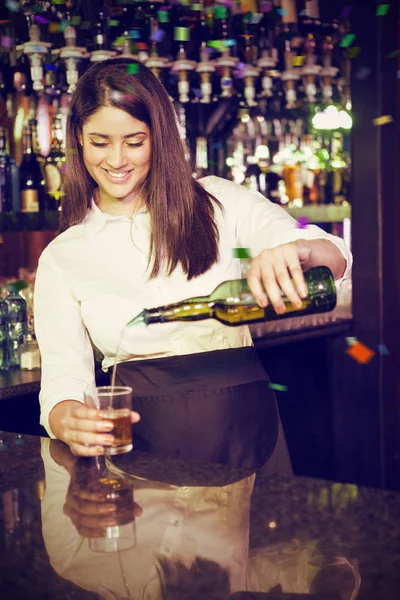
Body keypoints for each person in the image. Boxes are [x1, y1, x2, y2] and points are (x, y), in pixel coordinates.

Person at [34, 57, 352, 471]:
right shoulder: (63, 255)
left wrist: (296, 250)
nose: (116, 160)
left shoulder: (219, 202)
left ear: (159, 137)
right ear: (77, 138)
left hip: (245, 431)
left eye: (134, 141)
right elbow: (62, 380)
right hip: (142, 445)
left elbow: (335, 257)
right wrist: (67, 420)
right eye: (100, 142)